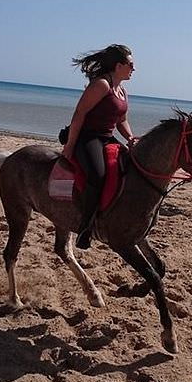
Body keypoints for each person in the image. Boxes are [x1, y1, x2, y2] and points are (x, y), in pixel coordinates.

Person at [62, 44, 138, 249]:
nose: (134, 68)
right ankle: (85, 227)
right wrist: (70, 145)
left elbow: (121, 120)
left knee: (130, 169)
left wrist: (130, 138)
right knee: (98, 175)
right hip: (87, 138)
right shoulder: (101, 85)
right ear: (118, 65)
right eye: (131, 64)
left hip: (107, 137)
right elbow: (79, 115)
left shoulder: (122, 90)